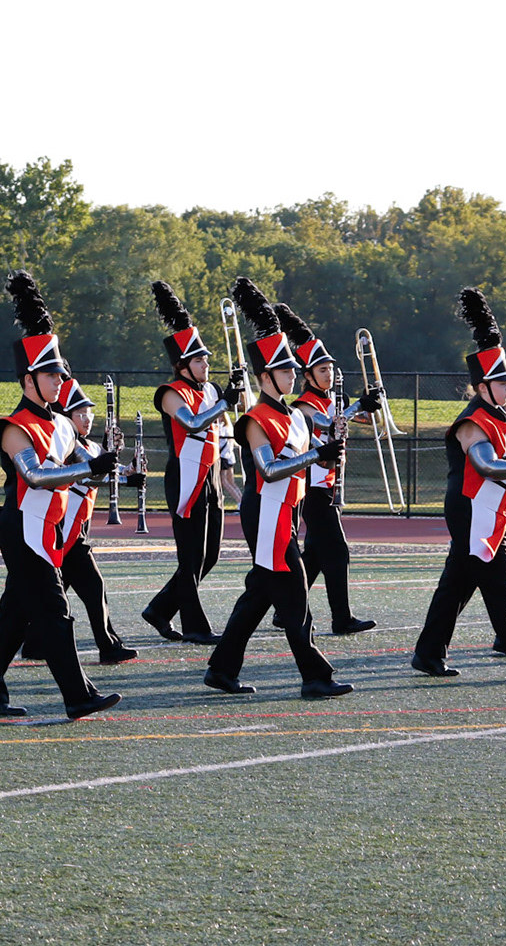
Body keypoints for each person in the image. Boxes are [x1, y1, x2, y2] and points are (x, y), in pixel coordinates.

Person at [0, 271, 122, 720]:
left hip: (48, 527)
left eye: (60, 374)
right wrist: (90, 467)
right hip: (22, 526)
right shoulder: (13, 427)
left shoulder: (60, 424)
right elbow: (36, 477)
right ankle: (78, 695)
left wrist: (121, 472)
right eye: (51, 375)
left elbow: (82, 471)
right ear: (28, 380)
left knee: (14, 614)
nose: (60, 382)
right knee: (55, 611)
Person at [203, 279, 350, 698]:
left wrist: (329, 452)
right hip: (266, 511)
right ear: (265, 375)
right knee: (293, 591)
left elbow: (307, 459)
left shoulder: (295, 416)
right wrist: (316, 455)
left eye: (292, 369)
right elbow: (268, 470)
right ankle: (315, 675)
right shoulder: (256, 418)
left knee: (260, 593)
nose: (293, 375)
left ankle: (221, 668)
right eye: (285, 370)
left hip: (288, 511)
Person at [409, 288, 506, 681]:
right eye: (501, 382)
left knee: (456, 585)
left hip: (494, 509)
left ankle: (428, 653)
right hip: (472, 509)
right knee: (500, 582)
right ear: (482, 387)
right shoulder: (473, 421)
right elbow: (488, 466)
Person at [272, 305, 380, 636]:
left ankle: (284, 610)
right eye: (322, 370)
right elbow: (328, 423)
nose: (329, 374)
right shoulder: (304, 404)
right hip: (312, 485)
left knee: (316, 555)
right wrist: (358, 405)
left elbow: (357, 420)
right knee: (337, 550)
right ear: (307, 375)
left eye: (331, 369)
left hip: (328, 483)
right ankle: (341, 618)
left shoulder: (330, 400)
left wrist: (371, 403)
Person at [139, 280, 235, 645]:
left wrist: (231, 398)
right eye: (198, 360)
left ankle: (160, 609)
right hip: (186, 475)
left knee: (209, 555)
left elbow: (221, 426)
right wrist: (223, 403)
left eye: (206, 358)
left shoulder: (209, 390)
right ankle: (194, 625)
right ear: (182, 365)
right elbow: (192, 423)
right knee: (191, 556)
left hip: (211, 473)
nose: (206, 364)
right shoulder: (169, 393)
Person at [40, 376, 133, 663]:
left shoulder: (90, 446)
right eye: (80, 413)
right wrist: (119, 476)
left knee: (48, 596)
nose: (87, 418)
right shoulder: (65, 446)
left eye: (89, 413)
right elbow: (90, 476)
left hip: (77, 530)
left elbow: (107, 471)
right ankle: (108, 646)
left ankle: (34, 642)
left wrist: (129, 471)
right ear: (66, 417)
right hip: (64, 529)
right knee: (93, 588)